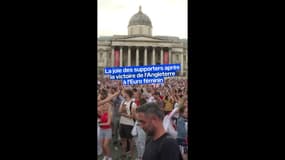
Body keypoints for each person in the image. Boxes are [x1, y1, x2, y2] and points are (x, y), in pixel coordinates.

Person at [119, 89, 137, 160]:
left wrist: (122, 114)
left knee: (130, 140)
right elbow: (119, 111)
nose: (122, 94)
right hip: (122, 123)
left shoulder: (133, 104)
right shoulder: (123, 102)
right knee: (123, 140)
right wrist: (123, 112)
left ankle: (131, 155)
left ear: (127, 94)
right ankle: (123, 154)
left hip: (129, 124)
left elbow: (132, 116)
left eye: (124, 93)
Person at [98, 89, 113, 160]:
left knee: (105, 145)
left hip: (107, 129)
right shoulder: (101, 111)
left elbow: (108, 123)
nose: (104, 106)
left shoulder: (109, 110)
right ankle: (105, 156)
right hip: (101, 129)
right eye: (103, 104)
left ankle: (109, 157)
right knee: (102, 145)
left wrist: (99, 123)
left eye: (106, 104)